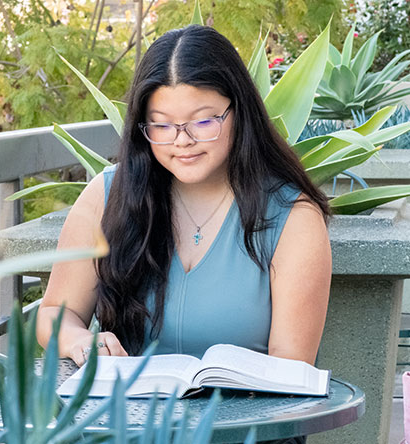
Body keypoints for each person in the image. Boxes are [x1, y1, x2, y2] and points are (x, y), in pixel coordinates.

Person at [36, 25, 330, 381]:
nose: (182, 141)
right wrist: (80, 340)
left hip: (246, 423)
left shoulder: (293, 217)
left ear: (240, 112)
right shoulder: (106, 196)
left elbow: (291, 368)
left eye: (203, 121)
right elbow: (55, 311)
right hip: (126, 420)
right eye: (161, 126)